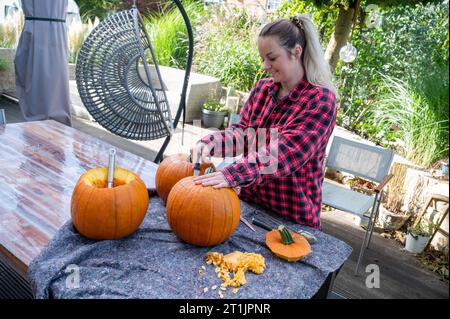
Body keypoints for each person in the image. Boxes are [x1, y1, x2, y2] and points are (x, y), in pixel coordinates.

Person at [191, 14, 338, 230]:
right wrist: (209, 143)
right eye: (263, 58)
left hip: (292, 219)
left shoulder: (320, 100)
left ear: (296, 52)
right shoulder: (263, 88)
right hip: (250, 207)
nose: (265, 65)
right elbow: (241, 135)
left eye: (271, 58)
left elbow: (284, 154)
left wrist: (232, 174)